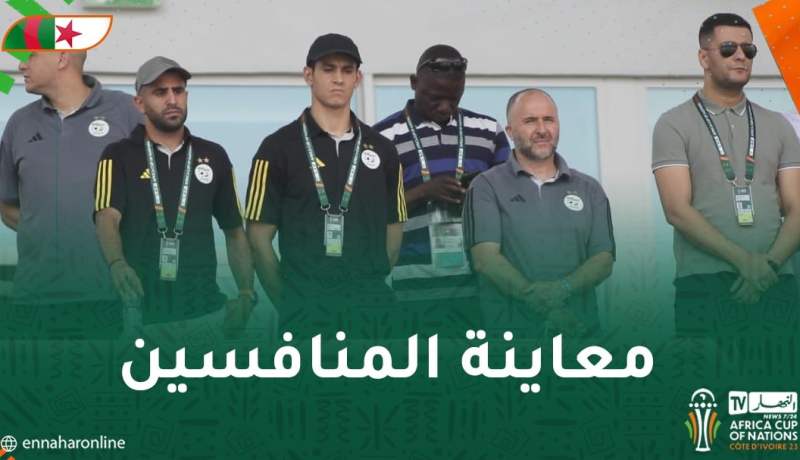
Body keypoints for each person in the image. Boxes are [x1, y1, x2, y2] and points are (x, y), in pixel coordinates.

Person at [245, 34, 407, 338]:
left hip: (374, 311)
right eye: (328, 69)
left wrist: (368, 282)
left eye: (347, 70)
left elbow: (394, 230)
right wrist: (289, 303)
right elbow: (258, 240)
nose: (338, 79)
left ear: (358, 78)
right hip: (305, 311)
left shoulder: (383, 150)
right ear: (309, 75)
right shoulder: (276, 148)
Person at [652, 13, 800, 336]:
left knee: (778, 370)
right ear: (704, 58)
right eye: (729, 48)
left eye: (749, 50)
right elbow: (676, 210)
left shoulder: (778, 125)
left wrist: (769, 265)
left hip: (776, 279)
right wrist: (745, 262)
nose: (740, 56)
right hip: (705, 283)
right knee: (704, 370)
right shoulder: (673, 123)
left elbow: (797, 209)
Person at [93, 57, 255, 339]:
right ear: (139, 103)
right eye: (160, 92)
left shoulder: (213, 155)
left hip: (207, 314)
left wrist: (246, 293)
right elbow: (106, 216)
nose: (172, 100)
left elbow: (234, 231)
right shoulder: (118, 155)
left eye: (178, 91)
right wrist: (117, 263)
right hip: (140, 315)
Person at [0, 51, 141, 338]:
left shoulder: (127, 111)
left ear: (62, 58)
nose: (21, 64)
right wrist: (50, 233)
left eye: (31, 55)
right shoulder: (19, 122)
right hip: (32, 299)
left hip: (109, 297)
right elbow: (6, 204)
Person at [373, 45, 510, 336]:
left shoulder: (489, 131)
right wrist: (422, 193)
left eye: (454, 98)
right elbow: (368, 212)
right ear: (414, 83)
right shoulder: (381, 137)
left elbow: (511, 201)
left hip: (478, 289)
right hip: (409, 291)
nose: (446, 107)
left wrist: (481, 194)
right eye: (435, 98)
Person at [463, 89, 615, 338]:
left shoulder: (589, 188)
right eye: (530, 121)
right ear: (510, 131)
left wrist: (563, 289)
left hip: (580, 335)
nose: (542, 129)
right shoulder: (485, 185)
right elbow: (485, 259)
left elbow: (604, 259)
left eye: (549, 120)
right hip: (510, 340)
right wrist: (535, 297)